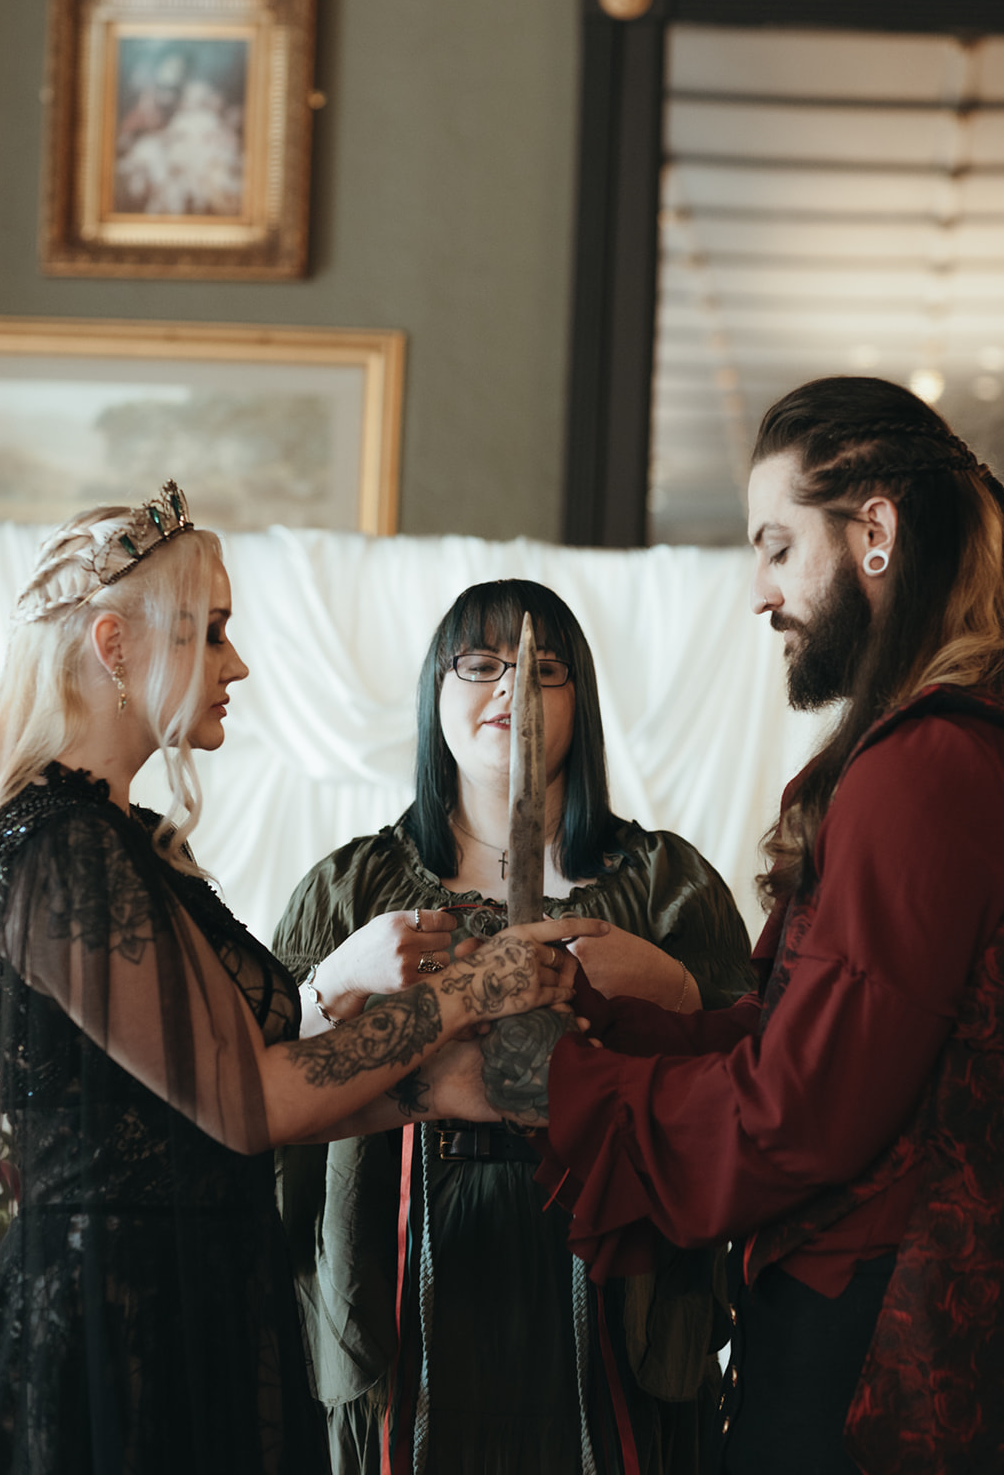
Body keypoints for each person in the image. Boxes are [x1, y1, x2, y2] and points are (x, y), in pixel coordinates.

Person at [474, 380, 1004, 1475]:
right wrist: (617, 1021)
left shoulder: (931, 770)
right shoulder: (979, 747)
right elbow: (828, 1044)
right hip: (910, 1317)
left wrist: (553, 1080)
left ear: (873, 532)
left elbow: (805, 1111)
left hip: (874, 1344)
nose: (759, 591)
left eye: (777, 545)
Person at [0, 490, 578, 1475]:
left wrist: (431, 1088)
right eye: (211, 633)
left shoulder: (125, 842)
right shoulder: (64, 853)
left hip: (192, 1289)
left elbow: (226, 1086)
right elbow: (243, 1103)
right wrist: (460, 998)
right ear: (114, 642)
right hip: (118, 1328)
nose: (237, 665)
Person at [272, 578, 754, 1475]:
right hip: (407, 1271)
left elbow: (766, 1083)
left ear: (585, 699)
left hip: (614, 1285)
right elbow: (257, 1082)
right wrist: (337, 981)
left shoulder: (665, 887)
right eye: (480, 664)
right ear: (435, 693)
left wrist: (674, 987)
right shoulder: (353, 890)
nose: (510, 688)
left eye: (544, 668)